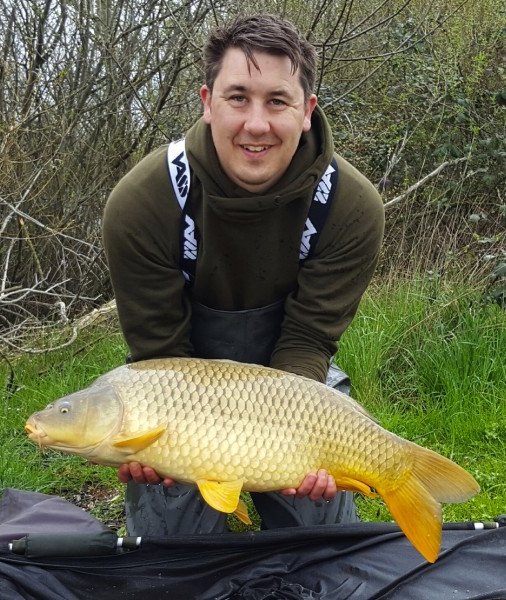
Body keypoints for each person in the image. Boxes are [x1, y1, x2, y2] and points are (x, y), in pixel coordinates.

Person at [102, 14, 385, 536]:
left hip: (294, 378)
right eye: (238, 98)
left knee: (319, 533)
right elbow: (160, 352)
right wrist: (165, 446)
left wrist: (290, 440)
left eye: (277, 101)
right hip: (180, 381)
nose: (257, 124)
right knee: (170, 548)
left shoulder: (351, 205)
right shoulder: (143, 202)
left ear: (307, 112)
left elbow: (308, 340)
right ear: (208, 103)